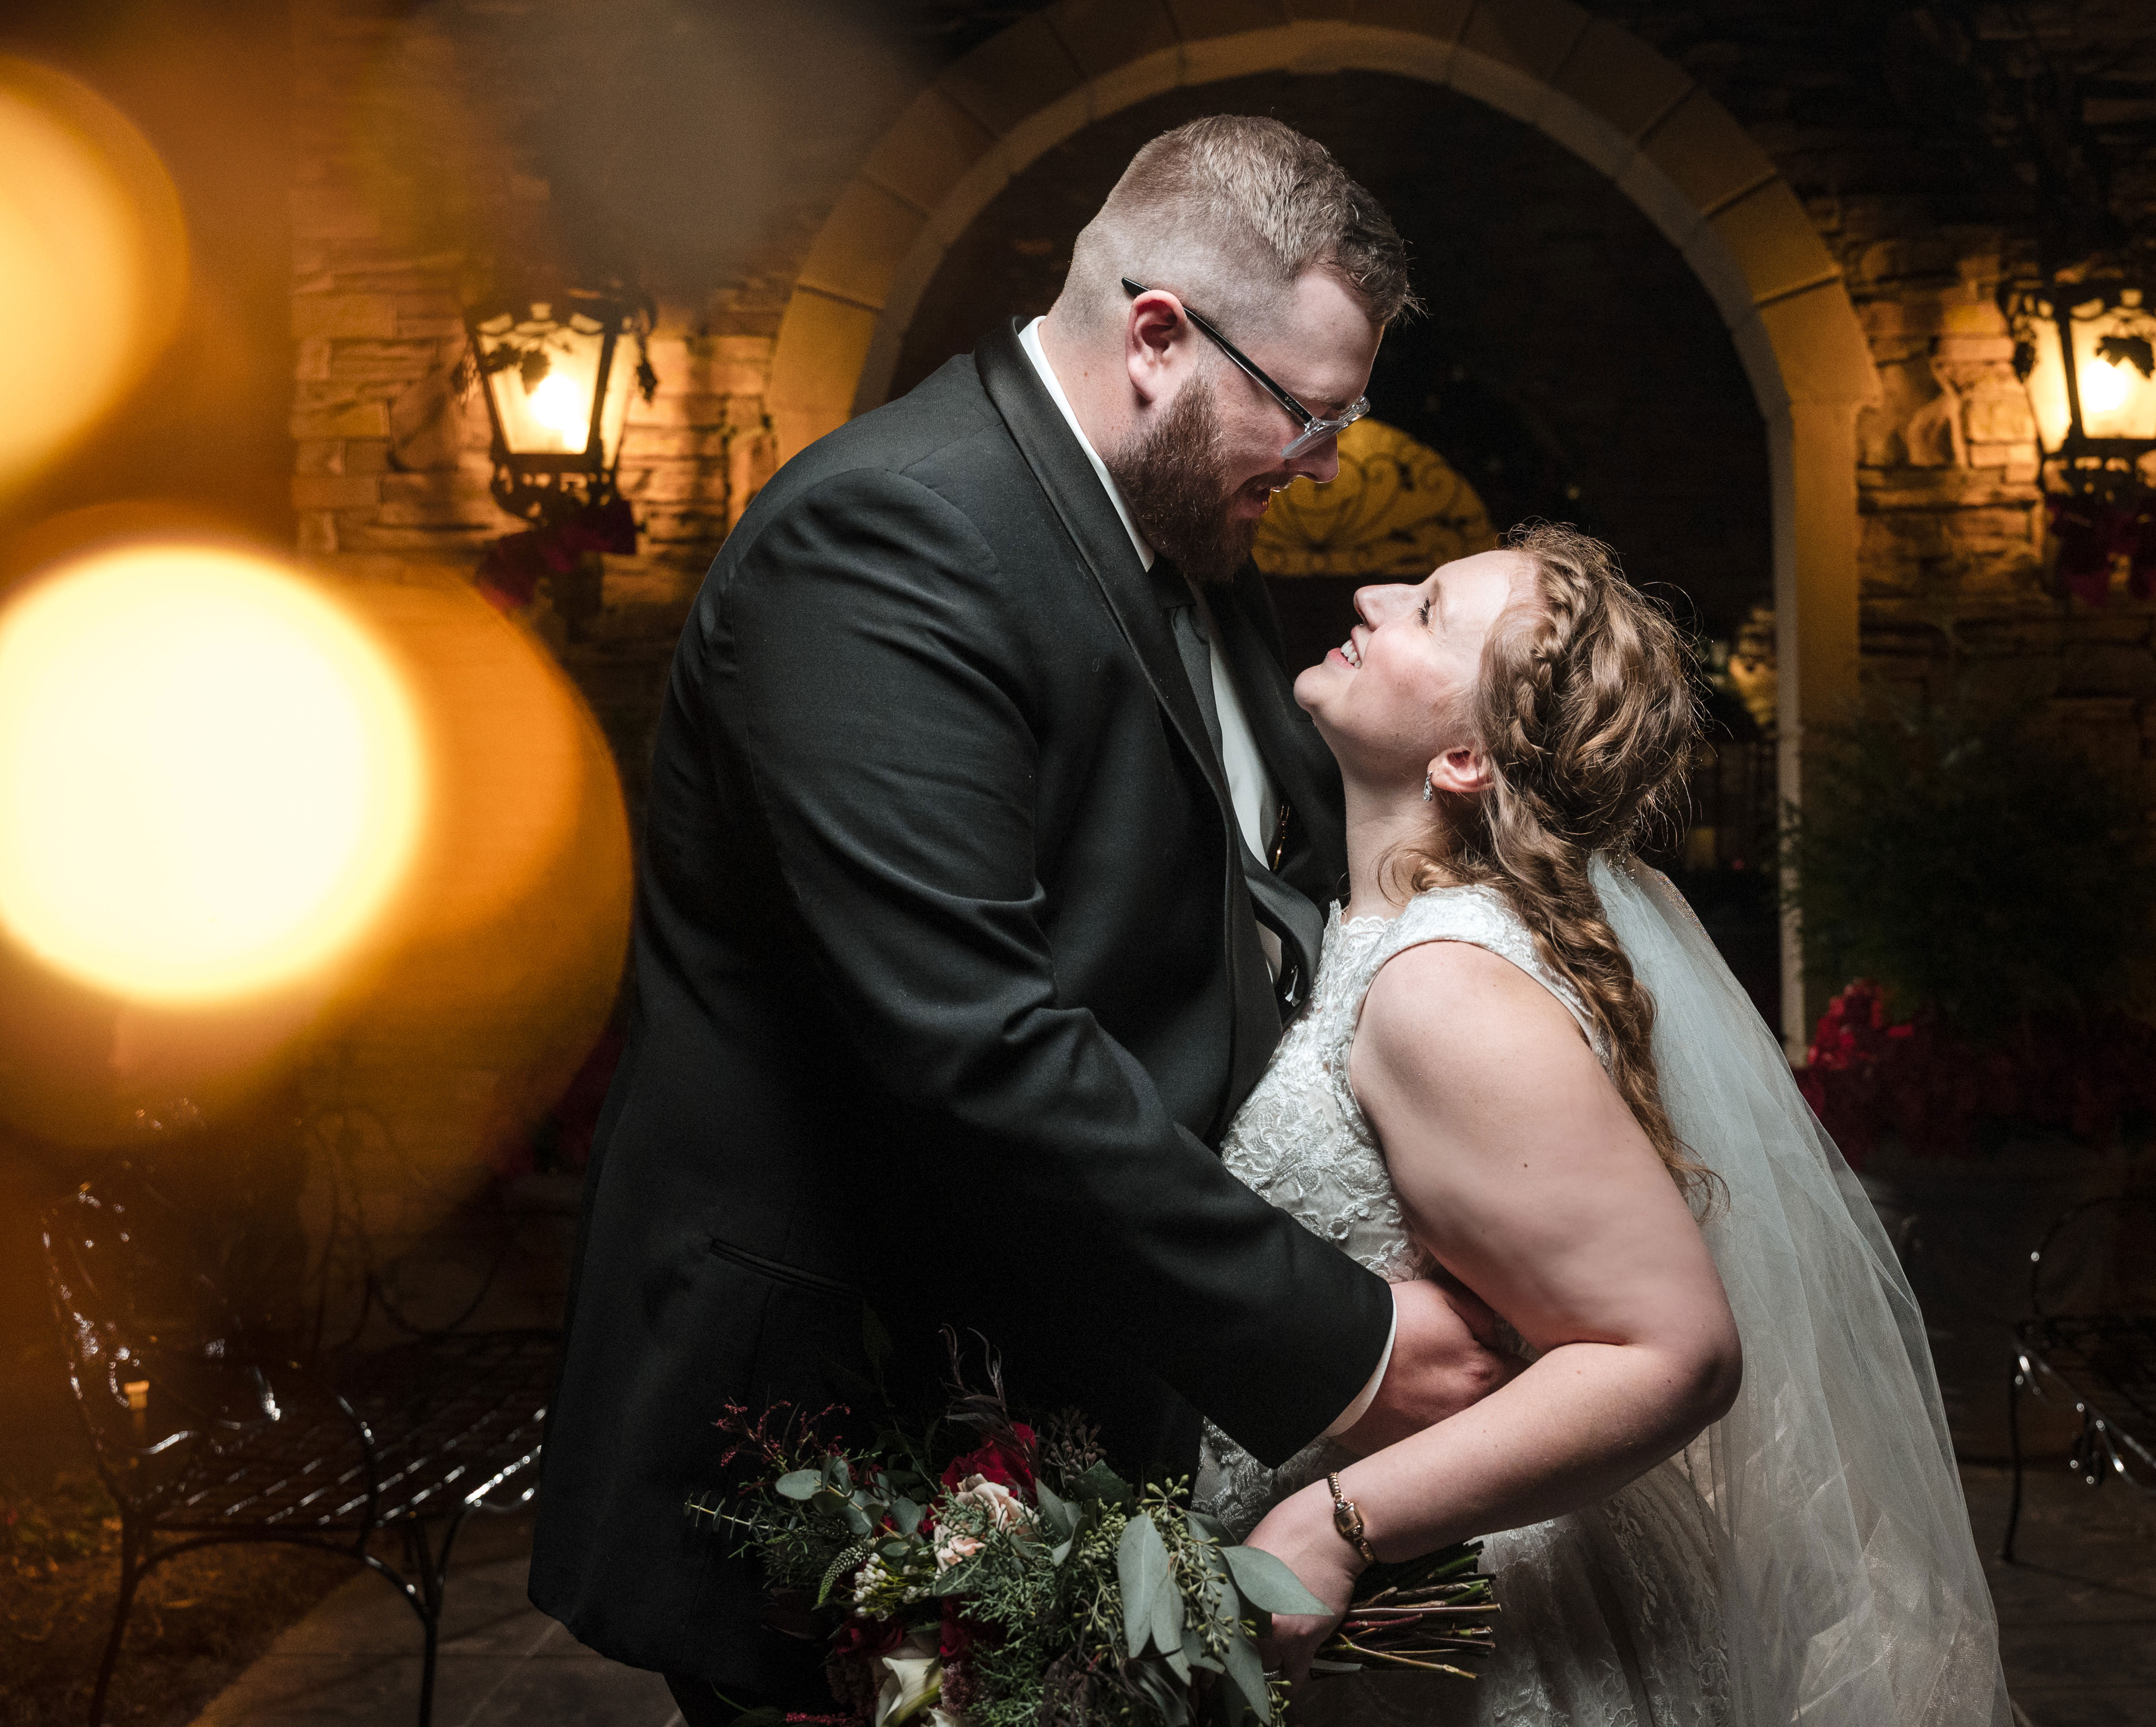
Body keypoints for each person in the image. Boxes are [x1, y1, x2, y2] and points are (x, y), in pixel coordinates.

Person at [529, 117, 1518, 1725]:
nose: (1328, 459)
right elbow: (975, 1045)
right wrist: (1343, 1338)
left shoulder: (1182, 526)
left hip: (1070, 1385)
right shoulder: (887, 541)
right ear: (1154, 339)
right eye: (1310, 412)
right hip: (839, 1433)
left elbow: (1243, 908)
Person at [1196, 526, 2014, 1724]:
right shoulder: (1385, 939)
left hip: (1459, 1634)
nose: (1370, 598)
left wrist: (1336, 1524)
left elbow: (1675, 1351)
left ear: (1468, 757)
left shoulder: (1440, 988)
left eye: (1425, 611)